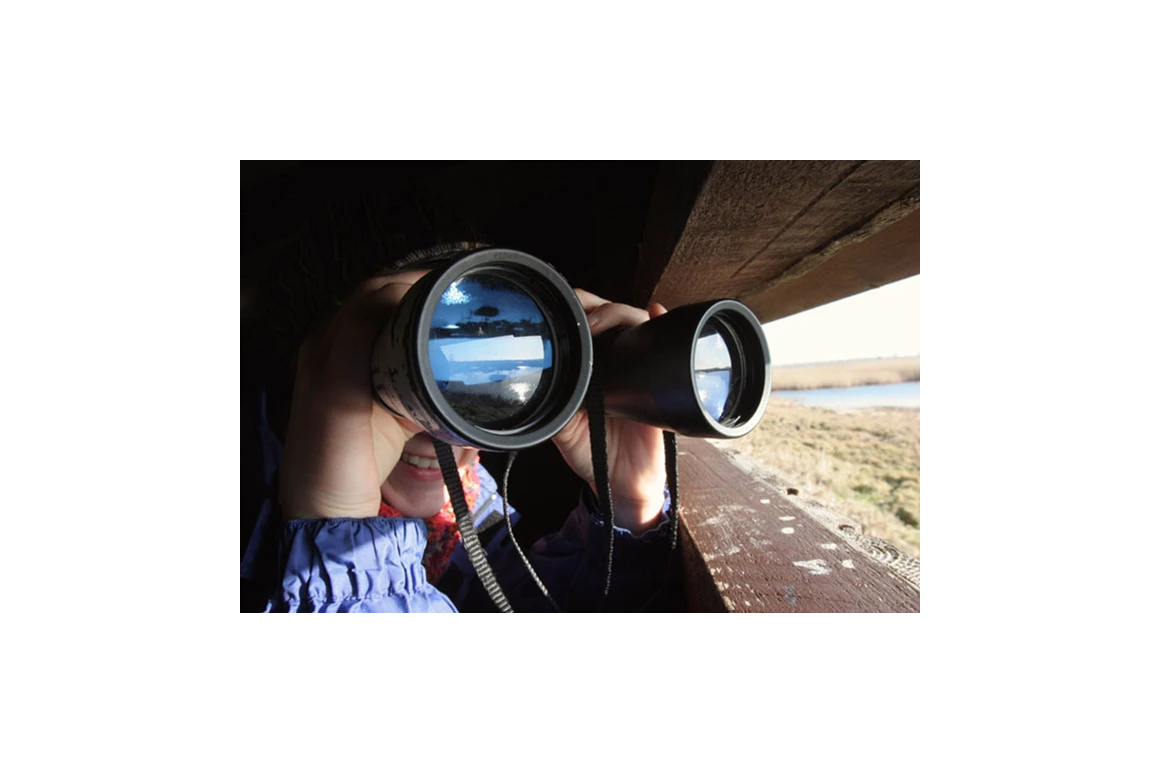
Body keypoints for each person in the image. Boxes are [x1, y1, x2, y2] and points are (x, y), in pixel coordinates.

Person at [243, 249, 683, 613]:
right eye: (411, 367)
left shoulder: (473, 510)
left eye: (483, 371)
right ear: (310, 374)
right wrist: (336, 539)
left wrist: (628, 503)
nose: (442, 425)